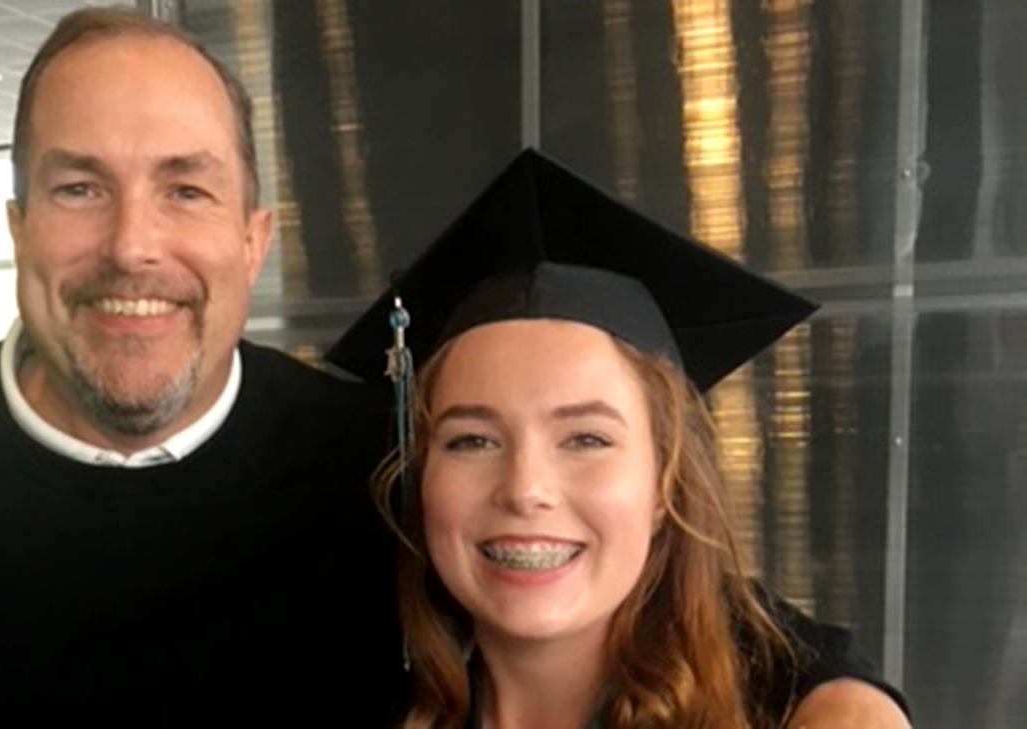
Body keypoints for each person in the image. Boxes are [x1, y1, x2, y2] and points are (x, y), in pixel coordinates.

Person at [0, 6, 897, 724]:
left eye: (185, 187)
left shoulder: (376, 470)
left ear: (252, 238)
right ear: (20, 225)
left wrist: (848, 702)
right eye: (79, 187)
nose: (134, 244)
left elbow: (676, 606)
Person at [326, 149, 913, 728]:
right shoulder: (336, 689)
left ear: (663, 483)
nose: (526, 490)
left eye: (586, 439)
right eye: (472, 440)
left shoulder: (769, 712)